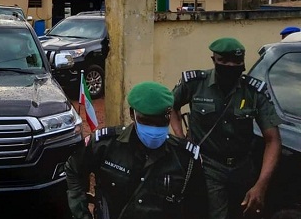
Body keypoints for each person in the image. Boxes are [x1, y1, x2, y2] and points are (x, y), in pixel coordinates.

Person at [170, 37, 282, 219]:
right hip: (208, 165)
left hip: (243, 167)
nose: (230, 66)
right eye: (224, 61)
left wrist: (261, 184)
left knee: (248, 213)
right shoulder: (195, 83)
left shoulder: (254, 91)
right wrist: (180, 136)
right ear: (214, 60)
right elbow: (171, 106)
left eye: (236, 62)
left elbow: (273, 139)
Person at [66, 81, 207, 219]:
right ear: (132, 115)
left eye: (160, 122)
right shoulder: (106, 146)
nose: (154, 129)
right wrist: (81, 213)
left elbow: (197, 208)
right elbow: (74, 170)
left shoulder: (185, 159)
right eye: (147, 121)